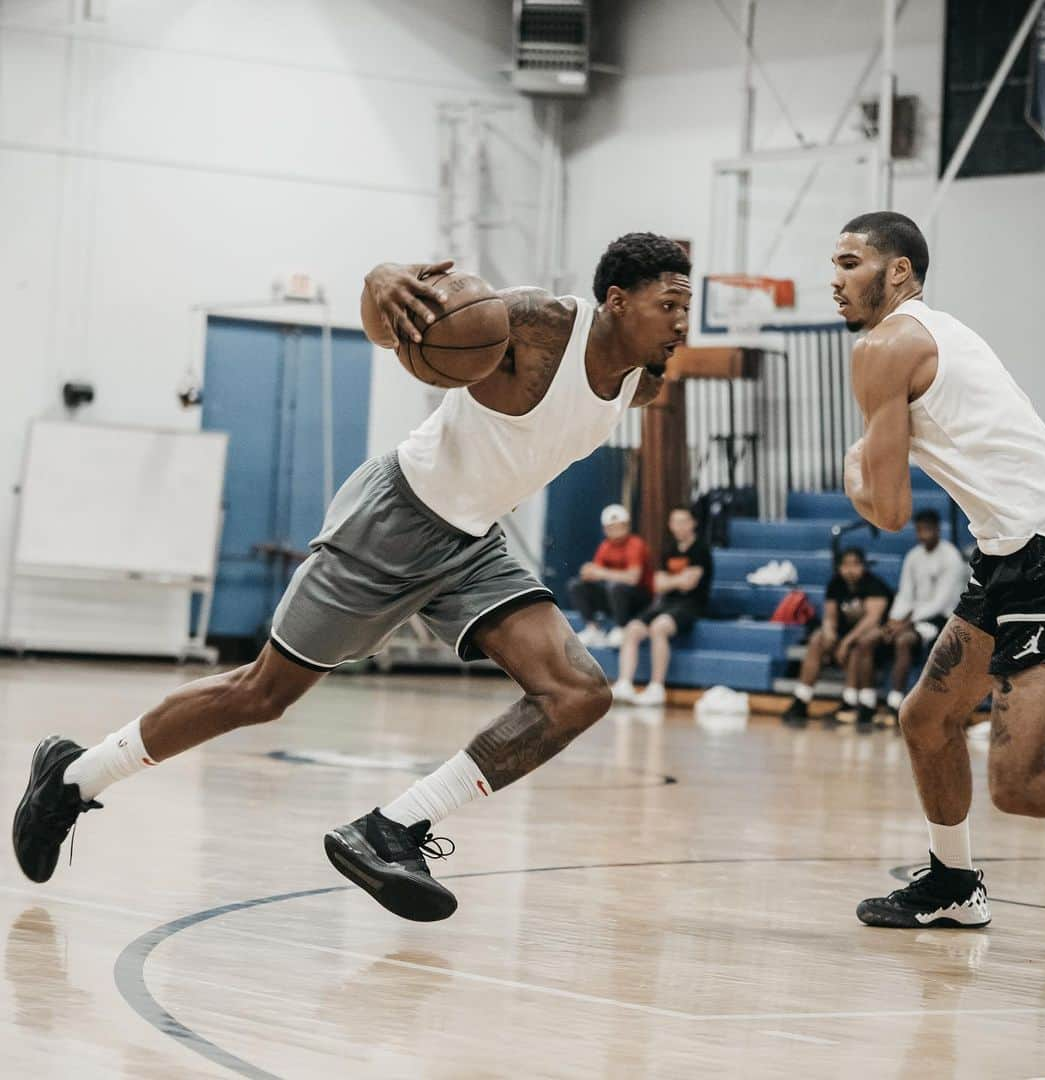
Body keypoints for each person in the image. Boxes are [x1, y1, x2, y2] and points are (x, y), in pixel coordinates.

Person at [12, 232, 693, 923]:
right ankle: (74, 777)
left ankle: (391, 830)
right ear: (615, 299)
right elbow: (406, 320)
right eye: (669, 304)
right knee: (262, 693)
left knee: (576, 693)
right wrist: (383, 279)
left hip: (472, 541)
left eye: (686, 308)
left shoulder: (645, 384)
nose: (680, 323)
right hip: (398, 515)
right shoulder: (540, 324)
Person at [832, 210, 1045, 929]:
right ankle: (953, 883)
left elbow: (886, 511)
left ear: (898, 270)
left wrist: (853, 468)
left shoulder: (887, 345)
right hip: (1009, 551)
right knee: (927, 718)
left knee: (1022, 785)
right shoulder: (937, 332)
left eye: (850, 263)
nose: (834, 279)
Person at [781, 547, 893, 727]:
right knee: (817, 638)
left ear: (863, 566)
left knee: (859, 644)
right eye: (846, 565)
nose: (850, 570)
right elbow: (830, 616)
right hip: (845, 634)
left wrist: (846, 642)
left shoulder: (874, 585)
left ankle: (854, 704)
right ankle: (802, 699)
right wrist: (829, 631)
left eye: (855, 565)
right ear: (839, 567)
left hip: (872, 638)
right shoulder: (836, 583)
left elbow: (872, 620)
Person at [613, 505, 713, 706]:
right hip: (667, 603)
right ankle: (624, 683)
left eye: (683, 521)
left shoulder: (701, 550)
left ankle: (657, 687)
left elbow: (690, 583)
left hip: (691, 604)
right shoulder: (669, 550)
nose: (678, 526)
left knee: (659, 627)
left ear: (693, 523)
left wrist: (672, 580)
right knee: (632, 629)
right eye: (675, 521)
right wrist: (678, 580)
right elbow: (658, 584)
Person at [878, 508, 966, 720]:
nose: (922, 535)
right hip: (913, 618)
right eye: (919, 530)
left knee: (904, 641)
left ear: (937, 529)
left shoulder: (951, 557)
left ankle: (896, 701)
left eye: (927, 529)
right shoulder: (913, 556)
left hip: (943, 619)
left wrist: (905, 623)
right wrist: (894, 618)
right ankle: (862, 702)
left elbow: (942, 602)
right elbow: (905, 593)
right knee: (875, 637)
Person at [568, 504, 652, 647]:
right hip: (614, 598)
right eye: (612, 527)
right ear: (605, 529)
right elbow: (594, 573)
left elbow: (633, 578)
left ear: (627, 526)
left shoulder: (635, 544)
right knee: (576, 585)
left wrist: (601, 573)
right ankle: (593, 629)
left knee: (616, 587)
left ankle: (622, 628)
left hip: (639, 599)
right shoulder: (605, 546)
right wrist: (588, 572)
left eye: (620, 526)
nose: (616, 531)